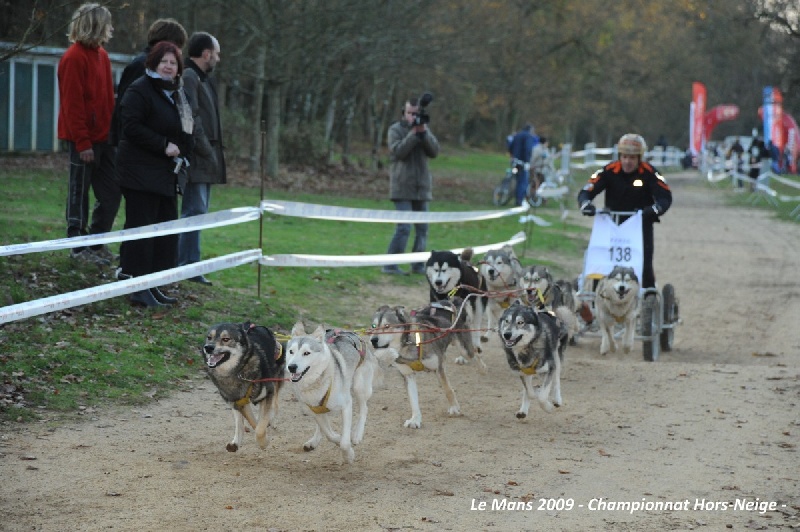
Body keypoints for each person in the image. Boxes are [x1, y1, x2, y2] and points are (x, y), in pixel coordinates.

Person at [116, 42, 193, 307]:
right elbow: (130, 126)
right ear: (153, 63)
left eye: (173, 63)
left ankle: (153, 284)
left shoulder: (176, 93)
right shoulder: (140, 90)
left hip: (165, 176)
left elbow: (185, 128)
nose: (169, 67)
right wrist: (163, 145)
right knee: (142, 233)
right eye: (164, 62)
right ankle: (137, 287)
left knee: (165, 233)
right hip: (139, 174)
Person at [57, 3, 119, 266]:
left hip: (104, 139)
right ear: (95, 24)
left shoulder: (102, 56)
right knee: (78, 192)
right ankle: (76, 245)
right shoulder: (73, 58)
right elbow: (73, 105)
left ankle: (95, 243)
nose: (111, 28)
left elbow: (106, 100)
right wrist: (83, 142)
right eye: (106, 23)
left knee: (112, 192)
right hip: (82, 139)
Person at [577, 133, 672, 290]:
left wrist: (655, 209)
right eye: (625, 157)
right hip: (612, 225)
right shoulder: (609, 170)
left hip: (640, 225)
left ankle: (648, 293)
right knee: (603, 265)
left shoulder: (649, 173)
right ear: (620, 156)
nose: (627, 161)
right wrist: (585, 203)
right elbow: (588, 189)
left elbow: (665, 197)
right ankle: (596, 297)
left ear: (639, 158)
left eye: (632, 158)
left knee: (644, 265)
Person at [177, 32, 226, 286]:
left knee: (199, 211)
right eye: (216, 53)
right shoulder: (189, 77)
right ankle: (185, 266)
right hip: (197, 158)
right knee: (193, 211)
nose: (218, 58)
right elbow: (192, 119)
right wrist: (206, 149)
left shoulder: (202, 79)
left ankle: (189, 264)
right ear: (206, 53)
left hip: (206, 157)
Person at [382, 97, 440, 275]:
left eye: (416, 114)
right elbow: (399, 152)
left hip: (421, 187)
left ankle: (417, 264)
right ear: (404, 113)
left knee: (422, 229)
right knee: (404, 228)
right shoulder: (395, 130)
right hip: (402, 187)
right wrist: (413, 134)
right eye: (410, 113)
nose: (413, 117)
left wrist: (424, 133)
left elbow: (434, 152)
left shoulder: (423, 129)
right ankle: (390, 264)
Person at [109, 18, 188, 147]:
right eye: (178, 46)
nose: (179, 52)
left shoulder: (153, 65)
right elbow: (127, 111)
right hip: (135, 146)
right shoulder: (142, 66)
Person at [508, 124, 539, 206]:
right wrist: (527, 161)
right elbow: (527, 149)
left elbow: (510, 146)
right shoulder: (528, 136)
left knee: (516, 177)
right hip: (522, 162)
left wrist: (512, 155)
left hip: (514, 160)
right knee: (523, 181)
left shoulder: (517, 135)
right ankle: (519, 200)